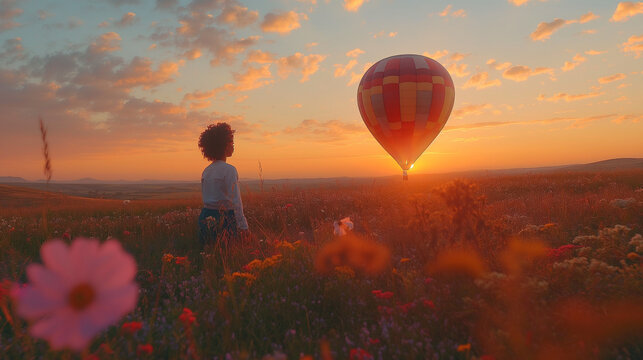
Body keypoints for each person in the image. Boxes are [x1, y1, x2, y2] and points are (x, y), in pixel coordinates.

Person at [197, 123, 249, 246]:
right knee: (227, 254)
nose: (233, 146)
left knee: (209, 251)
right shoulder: (229, 170)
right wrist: (243, 226)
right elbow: (236, 202)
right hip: (226, 219)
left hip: (205, 217)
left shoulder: (206, 171)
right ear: (225, 146)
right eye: (232, 143)